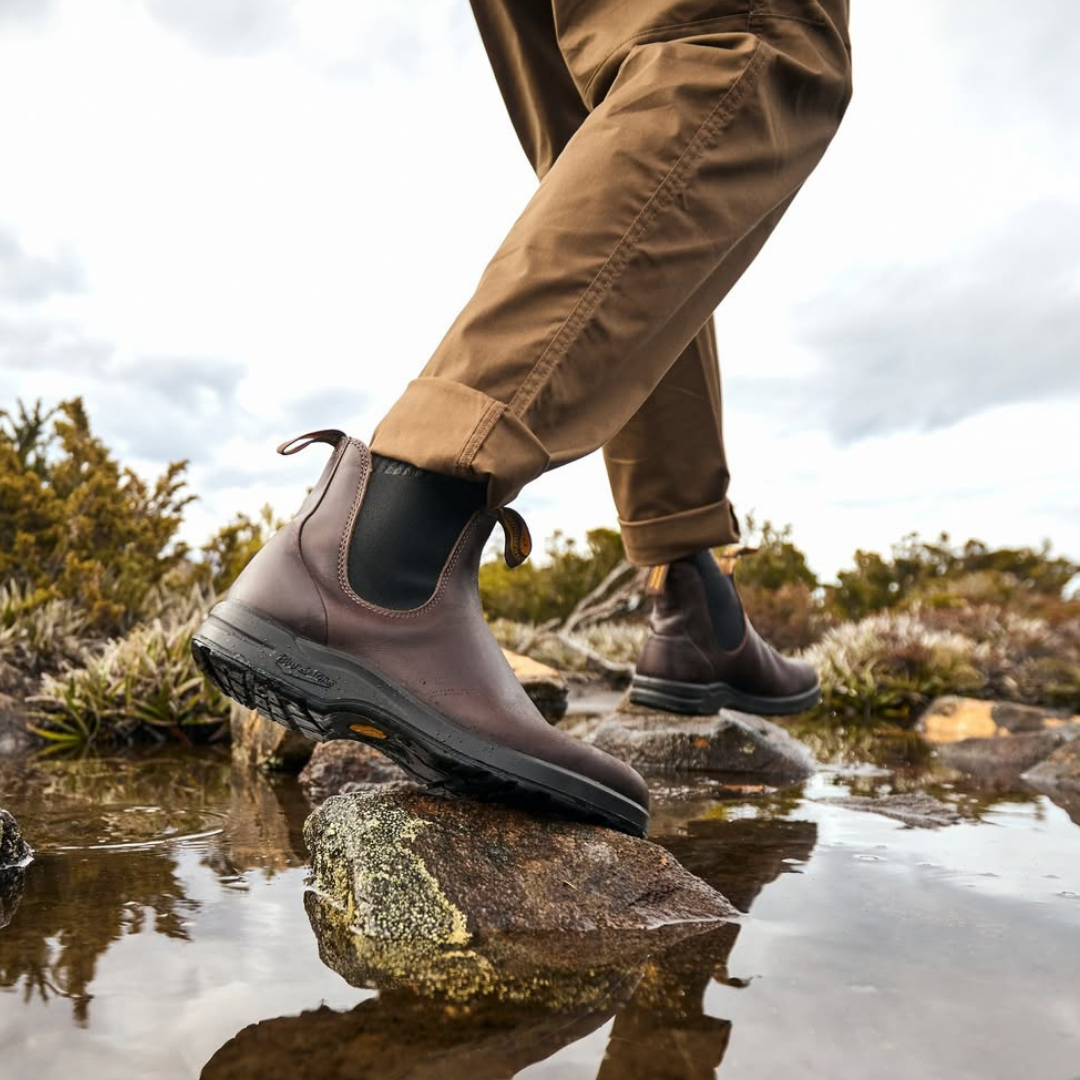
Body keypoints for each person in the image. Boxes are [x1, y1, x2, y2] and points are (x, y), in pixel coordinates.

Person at [193, 0, 852, 838]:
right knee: (753, 45)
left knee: (626, 135)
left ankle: (691, 601)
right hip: (385, 562)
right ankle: (385, 558)